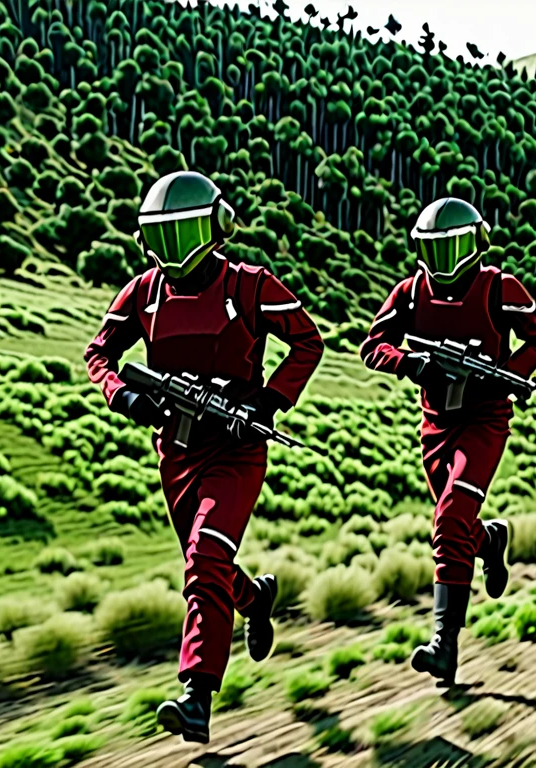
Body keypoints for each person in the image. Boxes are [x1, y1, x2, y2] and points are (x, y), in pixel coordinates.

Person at [84, 171, 324, 742]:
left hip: (236, 450)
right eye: (160, 236)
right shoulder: (142, 292)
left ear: (216, 227)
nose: (170, 249)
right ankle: (254, 598)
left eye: (182, 232)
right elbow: (100, 353)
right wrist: (125, 397)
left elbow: (307, 342)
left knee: (202, 559)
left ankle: (196, 695)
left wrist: (268, 401)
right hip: (175, 451)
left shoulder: (251, 284)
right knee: (207, 567)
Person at [360, 197, 536, 686]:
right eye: (434, 249)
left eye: (454, 247)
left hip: (485, 421)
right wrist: (408, 363)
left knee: (447, 521)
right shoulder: (408, 293)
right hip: (435, 425)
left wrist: (508, 375)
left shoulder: (499, 288)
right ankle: (490, 541)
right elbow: (372, 346)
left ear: (477, 244)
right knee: (459, 525)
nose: (444, 259)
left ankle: (444, 645)